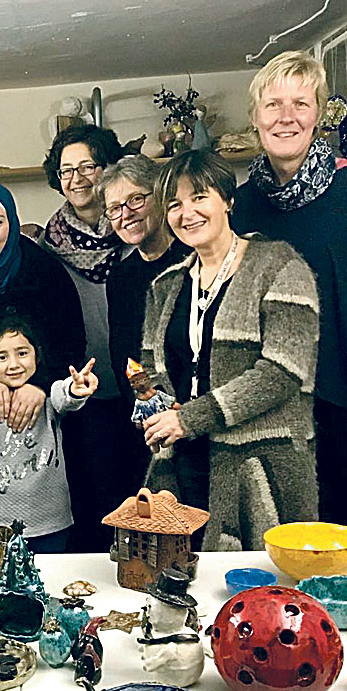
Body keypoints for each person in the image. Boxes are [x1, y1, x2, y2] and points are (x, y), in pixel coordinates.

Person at [231, 50, 347, 549]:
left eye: (301, 103)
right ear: (255, 117)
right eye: (273, 104)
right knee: (281, 544)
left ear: (318, 115)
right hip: (271, 409)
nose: (286, 117)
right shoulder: (241, 207)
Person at [141, 149, 319, 552]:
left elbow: (282, 371)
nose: (186, 213)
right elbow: (154, 372)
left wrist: (189, 418)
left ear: (227, 200)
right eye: (174, 204)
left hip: (262, 469)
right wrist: (154, 413)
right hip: (184, 466)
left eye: (199, 197)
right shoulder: (165, 286)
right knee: (182, 579)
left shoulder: (280, 266)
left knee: (263, 584)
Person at [0, 182, 85, 528]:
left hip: (45, 418)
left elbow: (72, 340)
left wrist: (41, 384)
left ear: (12, 223)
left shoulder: (44, 271)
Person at [41, 125, 133, 551]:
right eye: (66, 170)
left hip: (142, 388)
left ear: (107, 169)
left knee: (144, 499)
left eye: (87, 167)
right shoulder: (50, 244)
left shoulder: (134, 231)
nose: (76, 179)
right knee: (92, 502)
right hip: (80, 391)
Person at [0, 318, 98, 553]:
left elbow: (64, 396)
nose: (13, 364)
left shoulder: (47, 398)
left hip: (50, 521)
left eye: (22, 353)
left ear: (37, 355)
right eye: (1, 357)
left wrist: (76, 388)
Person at [100, 155, 193, 491]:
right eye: (114, 208)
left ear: (161, 196)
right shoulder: (120, 277)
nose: (126, 214)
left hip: (199, 416)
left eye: (136, 199)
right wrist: (148, 405)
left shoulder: (194, 259)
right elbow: (125, 356)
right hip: (150, 424)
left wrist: (184, 414)